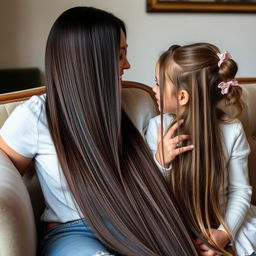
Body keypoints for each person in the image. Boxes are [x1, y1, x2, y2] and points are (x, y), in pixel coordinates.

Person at [0, 7, 199, 256]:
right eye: (119, 55)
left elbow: (148, 182)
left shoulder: (137, 106)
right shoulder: (36, 116)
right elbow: (4, 167)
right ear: (90, 61)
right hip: (73, 233)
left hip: (133, 225)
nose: (128, 64)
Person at [146, 43, 256, 256]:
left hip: (227, 222)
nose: (153, 90)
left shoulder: (232, 130)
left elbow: (240, 191)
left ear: (182, 97)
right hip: (176, 228)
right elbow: (151, 194)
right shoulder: (157, 128)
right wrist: (161, 162)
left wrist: (224, 234)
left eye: (158, 84)